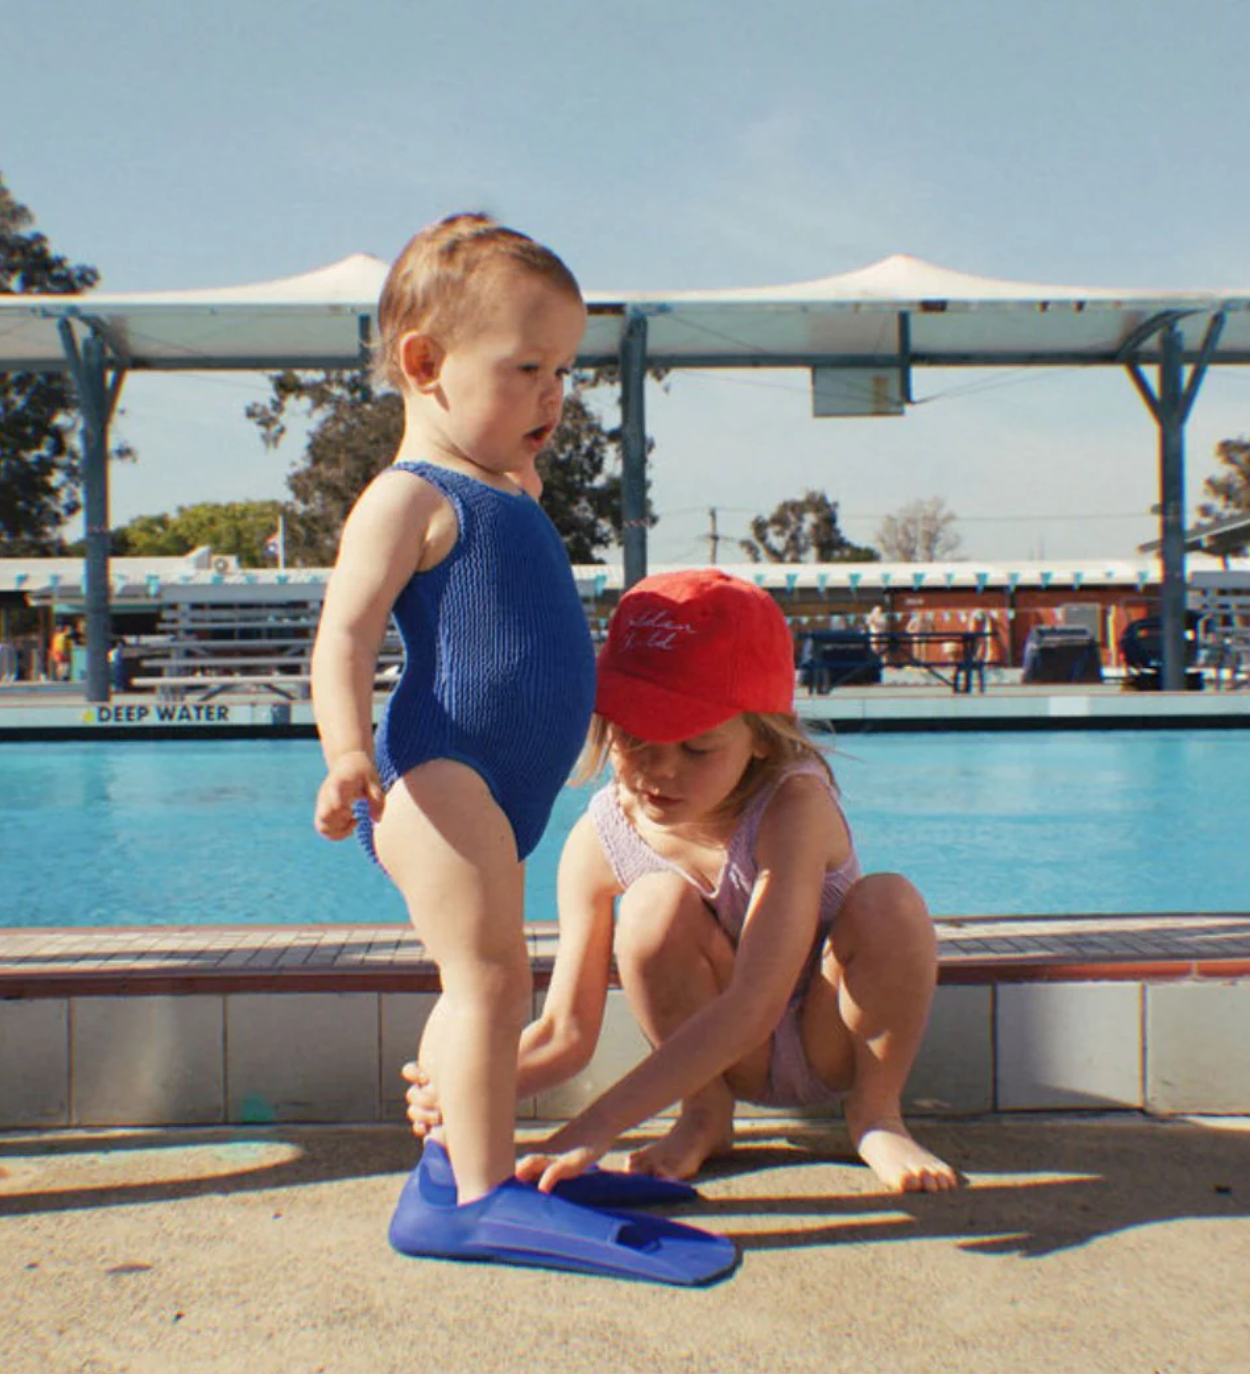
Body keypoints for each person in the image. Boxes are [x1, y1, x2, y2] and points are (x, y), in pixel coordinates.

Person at [409, 569, 958, 1196]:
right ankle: (705, 1114)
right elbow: (564, 1035)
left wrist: (600, 1125)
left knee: (892, 902)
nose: (660, 771)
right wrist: (463, 1088)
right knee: (650, 907)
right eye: (635, 738)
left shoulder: (792, 808)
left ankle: (877, 1115)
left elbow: (754, 1005)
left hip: (828, 1040)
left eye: (697, 748)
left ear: (759, 737)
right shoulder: (600, 841)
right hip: (727, 1066)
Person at [310, 214, 597, 1214]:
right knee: (490, 978)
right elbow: (344, 636)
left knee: (478, 978)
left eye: (563, 370)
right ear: (425, 363)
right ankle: (479, 1195)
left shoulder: (511, 488)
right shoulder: (408, 497)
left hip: (499, 784)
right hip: (437, 775)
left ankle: (452, 1163)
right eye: (525, 368)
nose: (552, 395)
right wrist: (347, 753)